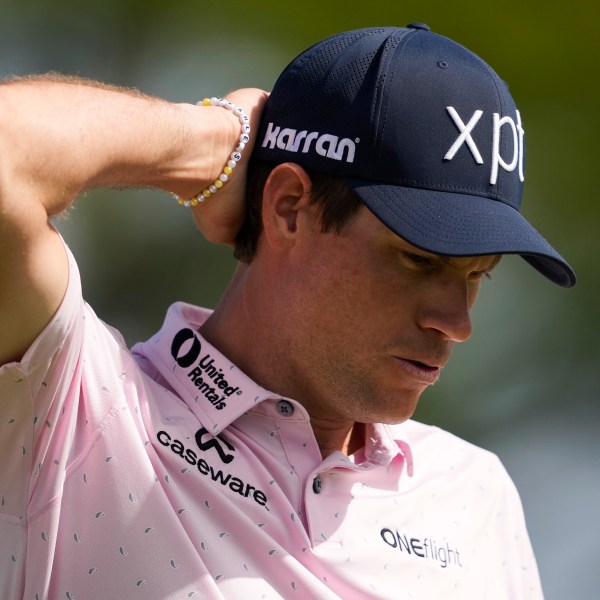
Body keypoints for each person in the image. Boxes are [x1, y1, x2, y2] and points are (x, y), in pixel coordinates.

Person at [0, 24, 575, 599]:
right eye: (418, 260)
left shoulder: (474, 493)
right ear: (289, 207)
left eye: (478, 275)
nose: (457, 323)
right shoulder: (74, 409)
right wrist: (213, 139)